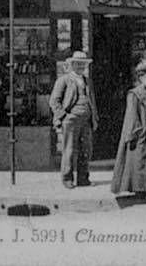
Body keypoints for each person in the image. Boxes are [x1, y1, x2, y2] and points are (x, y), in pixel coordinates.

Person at [49, 51, 99, 189]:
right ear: (71, 65)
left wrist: (94, 117)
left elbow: (92, 101)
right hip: (71, 121)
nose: (80, 66)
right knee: (70, 149)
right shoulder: (64, 80)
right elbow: (54, 101)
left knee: (86, 150)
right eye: (77, 63)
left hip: (86, 120)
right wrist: (63, 116)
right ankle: (67, 178)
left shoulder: (87, 80)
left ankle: (83, 178)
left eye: (83, 64)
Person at [111, 60, 146, 196]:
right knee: (140, 159)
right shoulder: (134, 94)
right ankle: (139, 188)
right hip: (141, 131)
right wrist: (135, 132)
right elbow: (132, 115)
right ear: (141, 78)